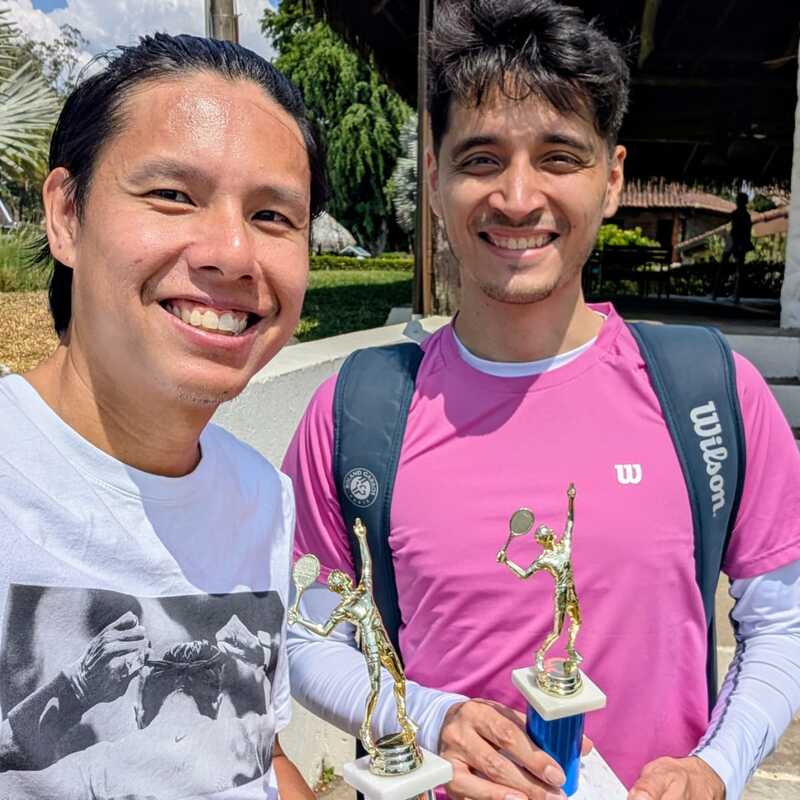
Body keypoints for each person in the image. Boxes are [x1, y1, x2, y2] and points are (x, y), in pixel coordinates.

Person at [282, 2, 800, 800]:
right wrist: (426, 715)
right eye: (482, 158)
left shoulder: (711, 393)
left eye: (559, 157)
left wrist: (716, 769)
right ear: (434, 176)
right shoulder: (356, 413)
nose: (519, 197)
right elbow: (304, 630)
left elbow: (782, 622)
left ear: (612, 178)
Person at [0, 32, 325, 799]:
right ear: (67, 214)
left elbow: (256, 754)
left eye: (272, 215)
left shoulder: (261, 497)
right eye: (174, 195)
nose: (233, 253)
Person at [289, 520, 418, 767]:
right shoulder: (344, 608)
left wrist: (360, 537)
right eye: (340, 580)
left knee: (400, 682)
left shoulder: (363, 590)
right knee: (377, 690)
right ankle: (367, 729)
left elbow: (367, 563)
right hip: (371, 648)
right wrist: (300, 620)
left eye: (342, 578)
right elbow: (323, 631)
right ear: (338, 587)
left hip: (383, 642)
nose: (344, 581)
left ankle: (403, 719)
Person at [712, 192, 753, 302]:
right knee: (739, 269)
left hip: (735, 241)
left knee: (725, 267)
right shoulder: (745, 215)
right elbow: (747, 231)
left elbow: (738, 230)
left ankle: (717, 294)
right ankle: (734, 295)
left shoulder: (737, 214)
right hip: (739, 242)